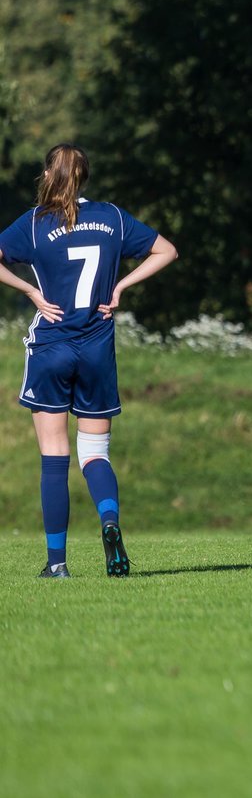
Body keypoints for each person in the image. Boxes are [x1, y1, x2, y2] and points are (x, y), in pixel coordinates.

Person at [0, 143, 178, 578]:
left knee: (54, 455)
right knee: (95, 453)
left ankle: (57, 563)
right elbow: (167, 250)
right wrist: (120, 288)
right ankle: (110, 521)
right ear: (85, 178)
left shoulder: (36, 224)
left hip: (52, 346)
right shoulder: (113, 217)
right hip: (97, 347)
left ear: (48, 175)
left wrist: (30, 291)